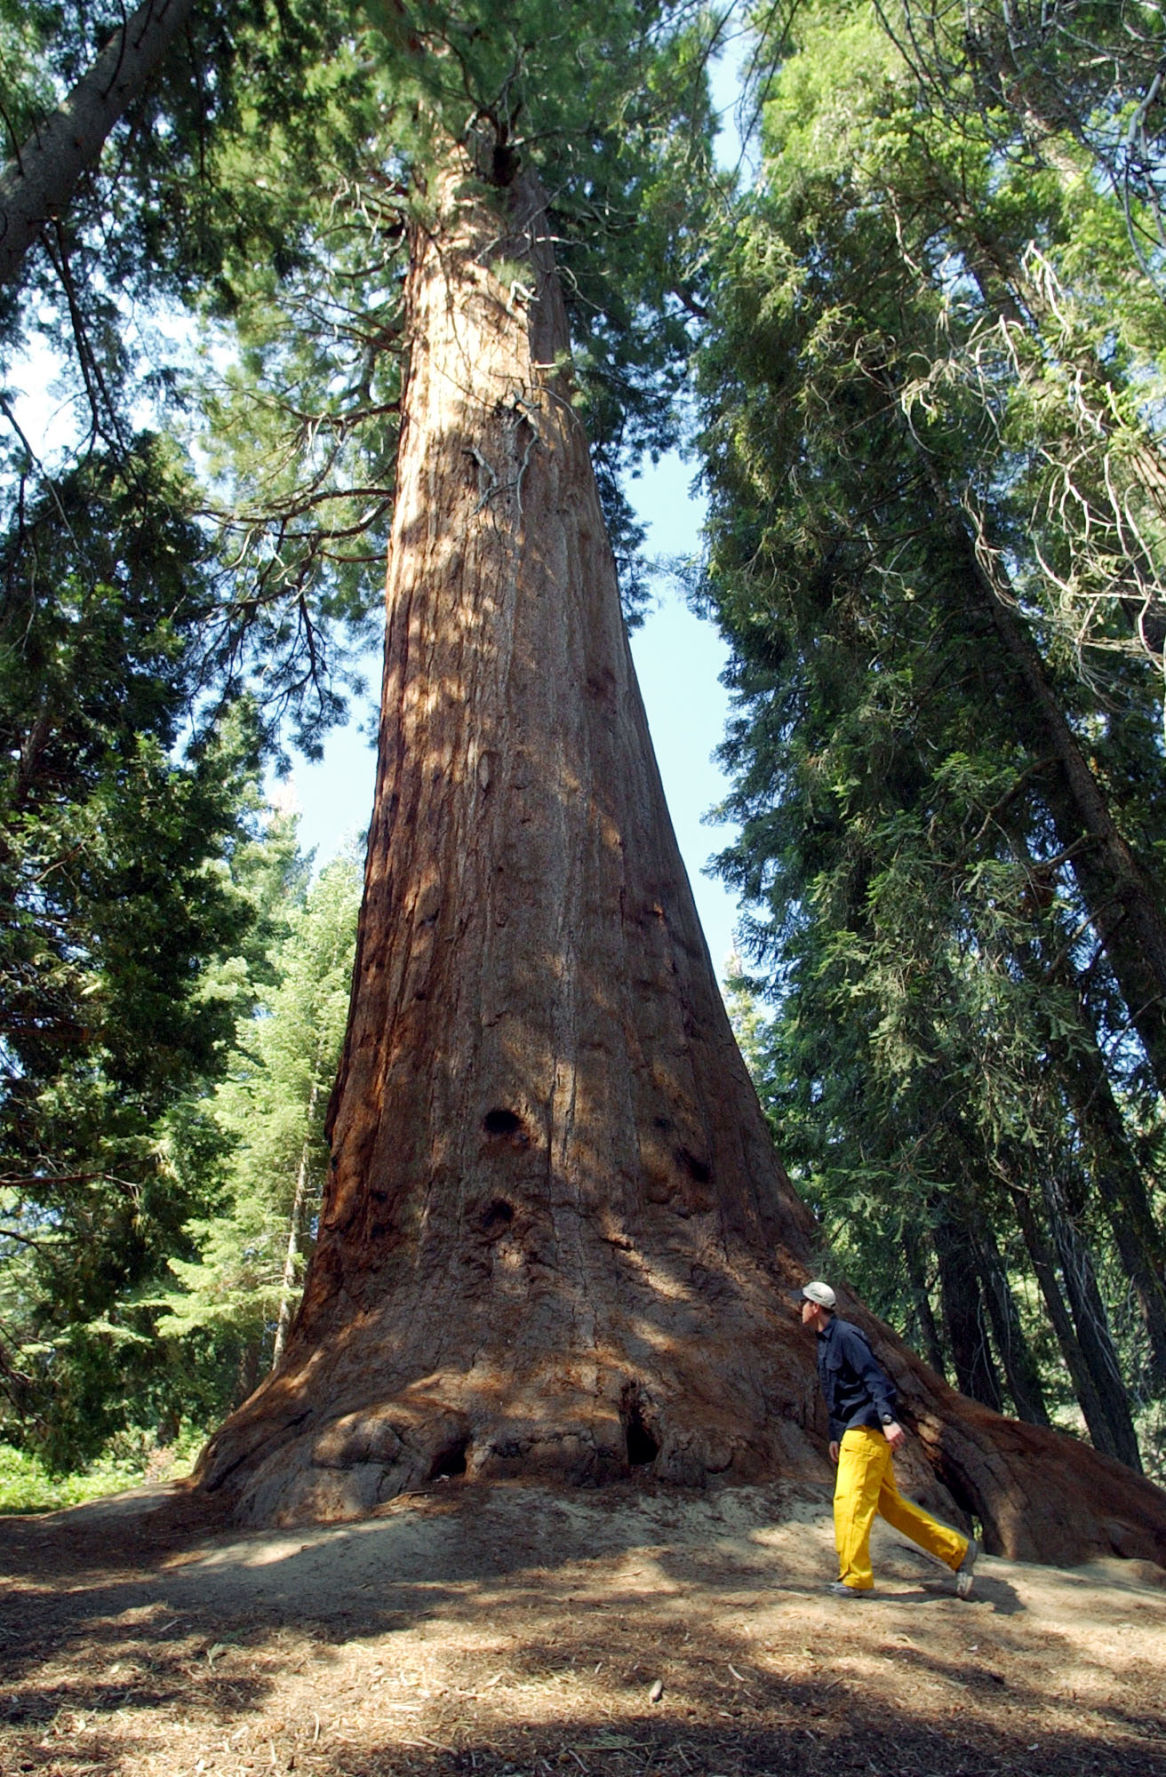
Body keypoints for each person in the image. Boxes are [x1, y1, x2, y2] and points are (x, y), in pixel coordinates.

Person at [794, 1280, 979, 1599]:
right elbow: (838, 1394)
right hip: (853, 1430)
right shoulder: (824, 1341)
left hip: (867, 1431)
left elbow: (875, 1380)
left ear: (815, 1307)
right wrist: (835, 1434)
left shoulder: (847, 1336)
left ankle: (855, 1577)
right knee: (891, 1506)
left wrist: (888, 1420)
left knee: (848, 1502)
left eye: (802, 1303)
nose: (798, 1308)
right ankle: (958, 1551)